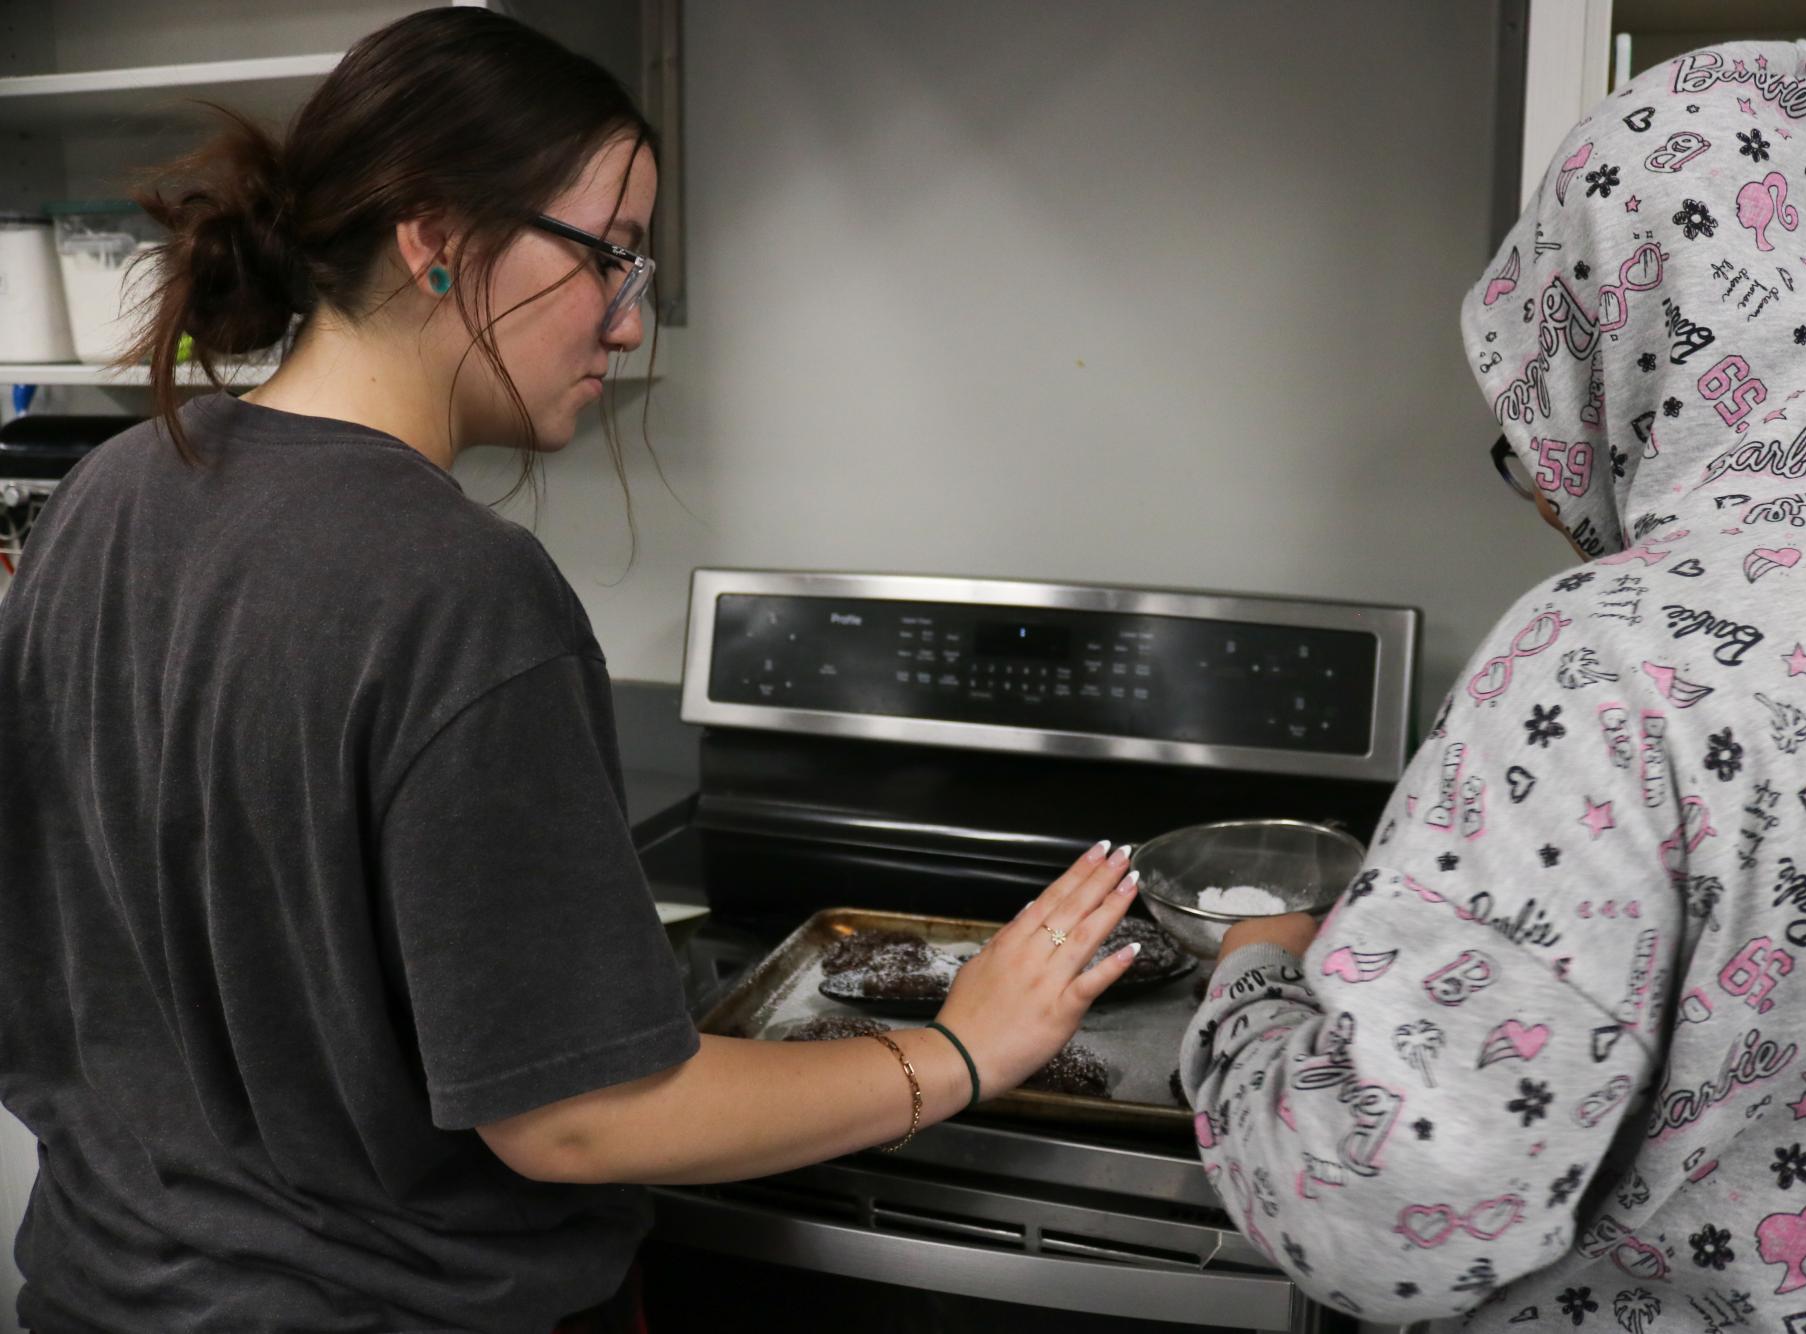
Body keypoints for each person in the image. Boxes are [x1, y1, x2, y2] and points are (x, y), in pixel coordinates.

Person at [0, 10, 1142, 1332]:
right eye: (610, 254)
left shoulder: (118, 484)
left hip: (93, 1289)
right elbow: (580, 1120)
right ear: (434, 238)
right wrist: (955, 1049)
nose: (626, 318)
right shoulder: (457, 585)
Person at [1179, 40, 1806, 1332]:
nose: (1559, 496)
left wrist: (1250, 989)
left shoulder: (1614, 657)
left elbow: (1391, 1208)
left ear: (1608, 347)